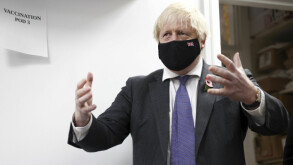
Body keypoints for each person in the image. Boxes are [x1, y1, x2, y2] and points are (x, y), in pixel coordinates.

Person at [68, 2, 288, 165]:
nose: (173, 39)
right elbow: (102, 137)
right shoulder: (137, 90)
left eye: (182, 33)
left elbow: (278, 125)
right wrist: (83, 119)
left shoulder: (231, 81)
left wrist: (252, 97)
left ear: (201, 41)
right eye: (166, 35)